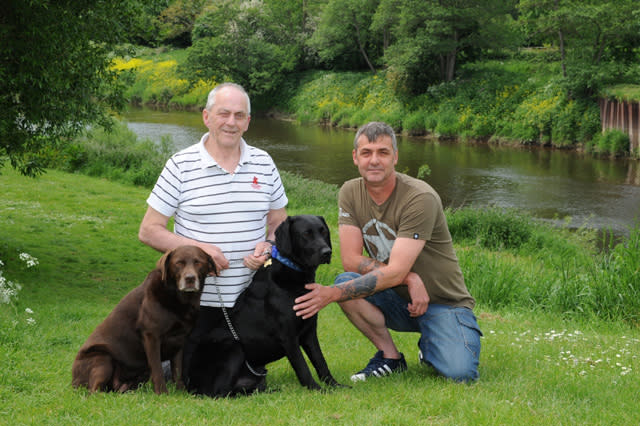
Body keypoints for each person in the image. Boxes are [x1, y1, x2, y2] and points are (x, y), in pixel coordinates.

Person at [293, 121, 481, 382]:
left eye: (382, 152)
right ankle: (390, 357)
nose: (374, 161)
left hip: (443, 302)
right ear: (355, 157)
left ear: (395, 157)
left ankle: (432, 345)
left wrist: (332, 295)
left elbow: (397, 269)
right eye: (367, 153)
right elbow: (350, 259)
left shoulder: (419, 197)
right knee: (347, 282)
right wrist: (411, 279)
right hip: (394, 297)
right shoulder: (350, 191)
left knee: (460, 374)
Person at [138, 83, 288, 382]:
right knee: (204, 381)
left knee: (253, 360)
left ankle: (240, 358)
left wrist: (269, 246)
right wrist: (201, 249)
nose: (231, 122)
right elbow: (149, 230)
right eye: (223, 114)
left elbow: (279, 224)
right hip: (198, 304)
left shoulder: (264, 162)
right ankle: (175, 363)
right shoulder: (181, 165)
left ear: (248, 121)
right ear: (207, 117)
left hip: (251, 300)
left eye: (239, 115)